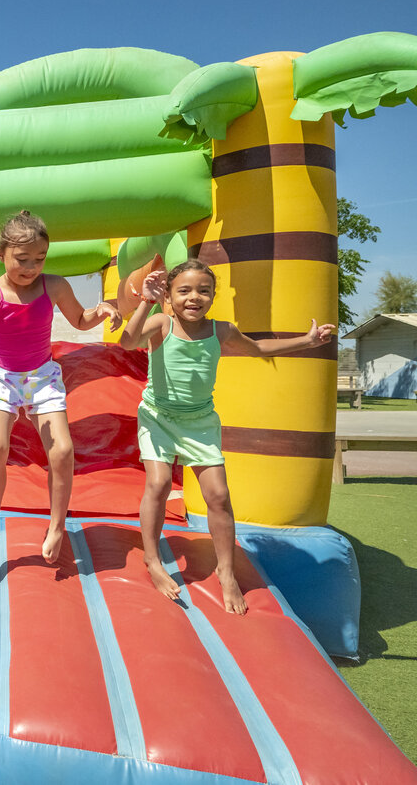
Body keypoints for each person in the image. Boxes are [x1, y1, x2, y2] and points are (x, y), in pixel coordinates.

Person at [119, 260, 335, 614]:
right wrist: (145, 301)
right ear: (169, 296)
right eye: (184, 291)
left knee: (218, 495)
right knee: (158, 484)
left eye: (203, 291)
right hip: (158, 417)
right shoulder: (162, 323)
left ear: (213, 296)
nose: (194, 297)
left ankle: (226, 571)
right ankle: (153, 560)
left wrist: (308, 341)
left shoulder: (221, 330)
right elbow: (128, 342)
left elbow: (258, 349)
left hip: (200, 422)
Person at [0, 211, 121, 562]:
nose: (31, 267)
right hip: (1, 376)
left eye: (39, 259)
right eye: (22, 259)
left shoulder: (54, 285)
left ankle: (57, 526)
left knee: (62, 451)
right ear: (1, 254)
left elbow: (80, 320)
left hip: (41, 376)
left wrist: (102, 309)